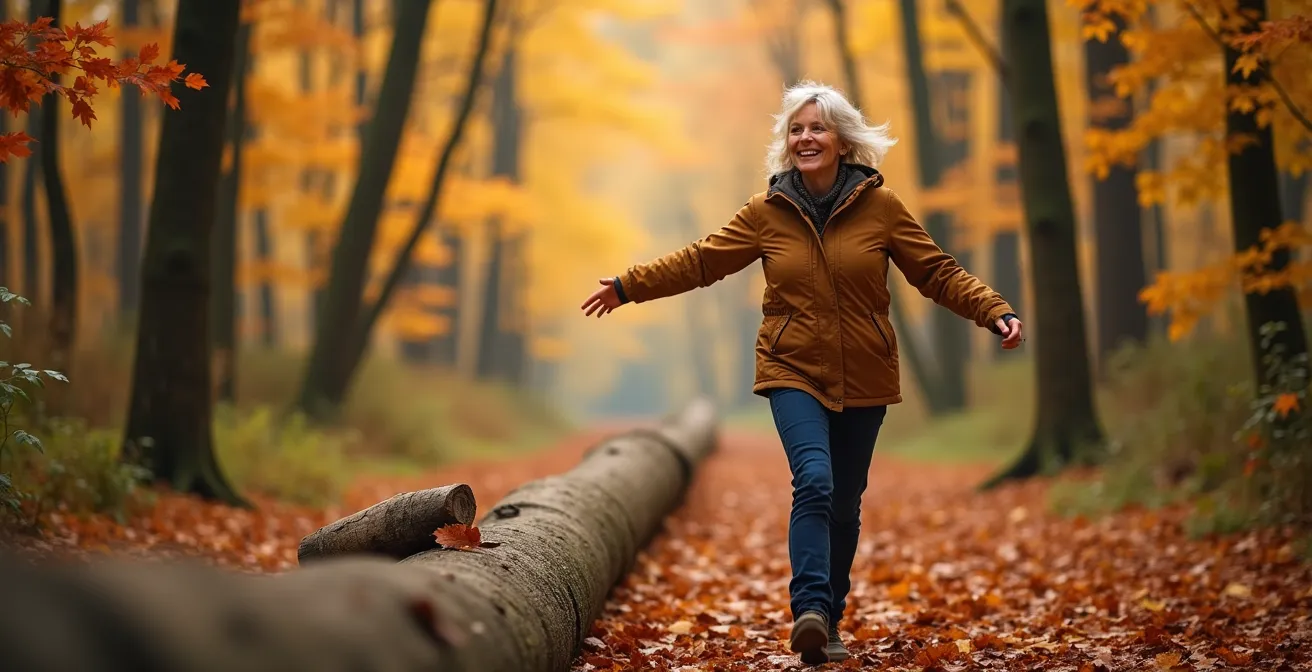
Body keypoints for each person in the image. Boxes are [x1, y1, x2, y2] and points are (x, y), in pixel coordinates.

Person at [579, 80, 1024, 665]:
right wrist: (627, 286)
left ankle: (829, 621)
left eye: (818, 128)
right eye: (796, 129)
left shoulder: (882, 208)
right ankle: (809, 609)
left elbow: (936, 271)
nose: (806, 138)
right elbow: (702, 260)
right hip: (791, 368)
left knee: (845, 503)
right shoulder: (766, 212)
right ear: (787, 142)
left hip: (865, 373)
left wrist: (993, 309)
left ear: (842, 140)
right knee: (814, 479)